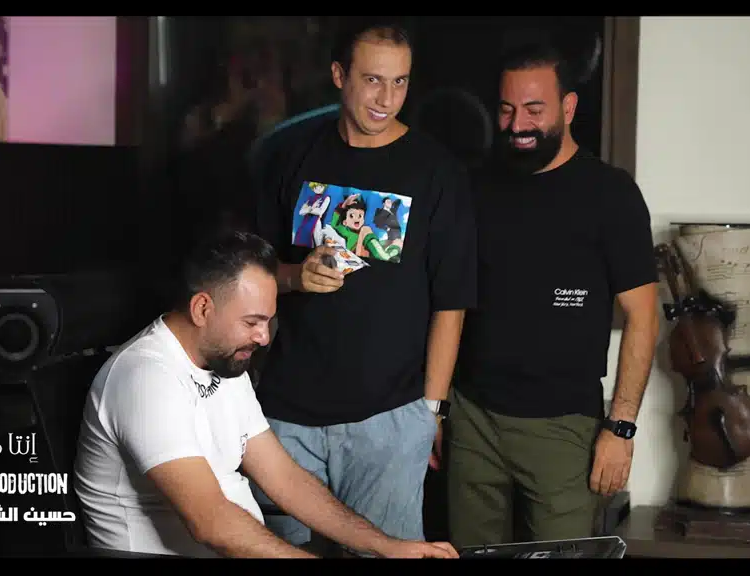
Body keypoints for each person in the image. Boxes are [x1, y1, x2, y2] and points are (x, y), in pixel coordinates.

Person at [73, 230, 459, 559]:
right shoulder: (145, 378)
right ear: (202, 308)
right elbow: (211, 522)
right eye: (252, 322)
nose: (262, 336)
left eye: (268, 321)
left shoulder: (225, 361)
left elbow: (285, 478)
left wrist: (386, 546)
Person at [250, 16, 478, 550]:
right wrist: (294, 276)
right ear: (339, 75)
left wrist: (430, 411)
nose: (387, 99)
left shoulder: (436, 171)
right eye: (373, 80)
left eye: (400, 82)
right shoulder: (290, 155)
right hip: (287, 414)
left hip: (388, 419)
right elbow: (253, 272)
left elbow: (451, 302)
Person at [446, 33, 660, 546]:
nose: (518, 124)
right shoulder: (476, 186)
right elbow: (448, 302)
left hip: (565, 428)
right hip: (472, 419)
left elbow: (644, 317)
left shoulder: (611, 194)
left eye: (534, 110)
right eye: (507, 109)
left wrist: (621, 428)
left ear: (568, 107)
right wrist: (437, 409)